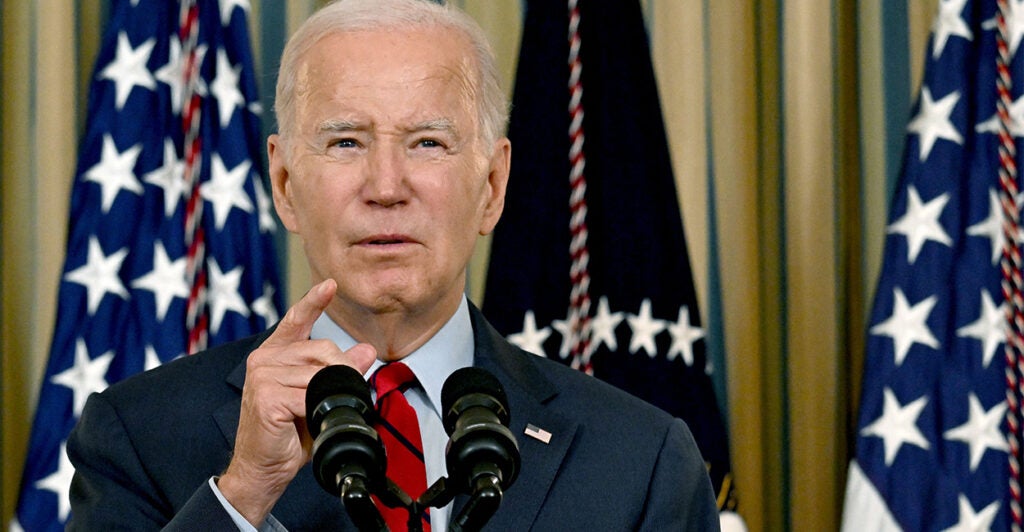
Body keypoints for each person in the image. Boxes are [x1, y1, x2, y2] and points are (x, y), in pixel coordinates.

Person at [66, 0, 720, 530]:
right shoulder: (138, 436)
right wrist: (243, 494)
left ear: (491, 187)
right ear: (286, 184)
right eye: (346, 141)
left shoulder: (642, 460)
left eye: (427, 143)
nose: (386, 185)